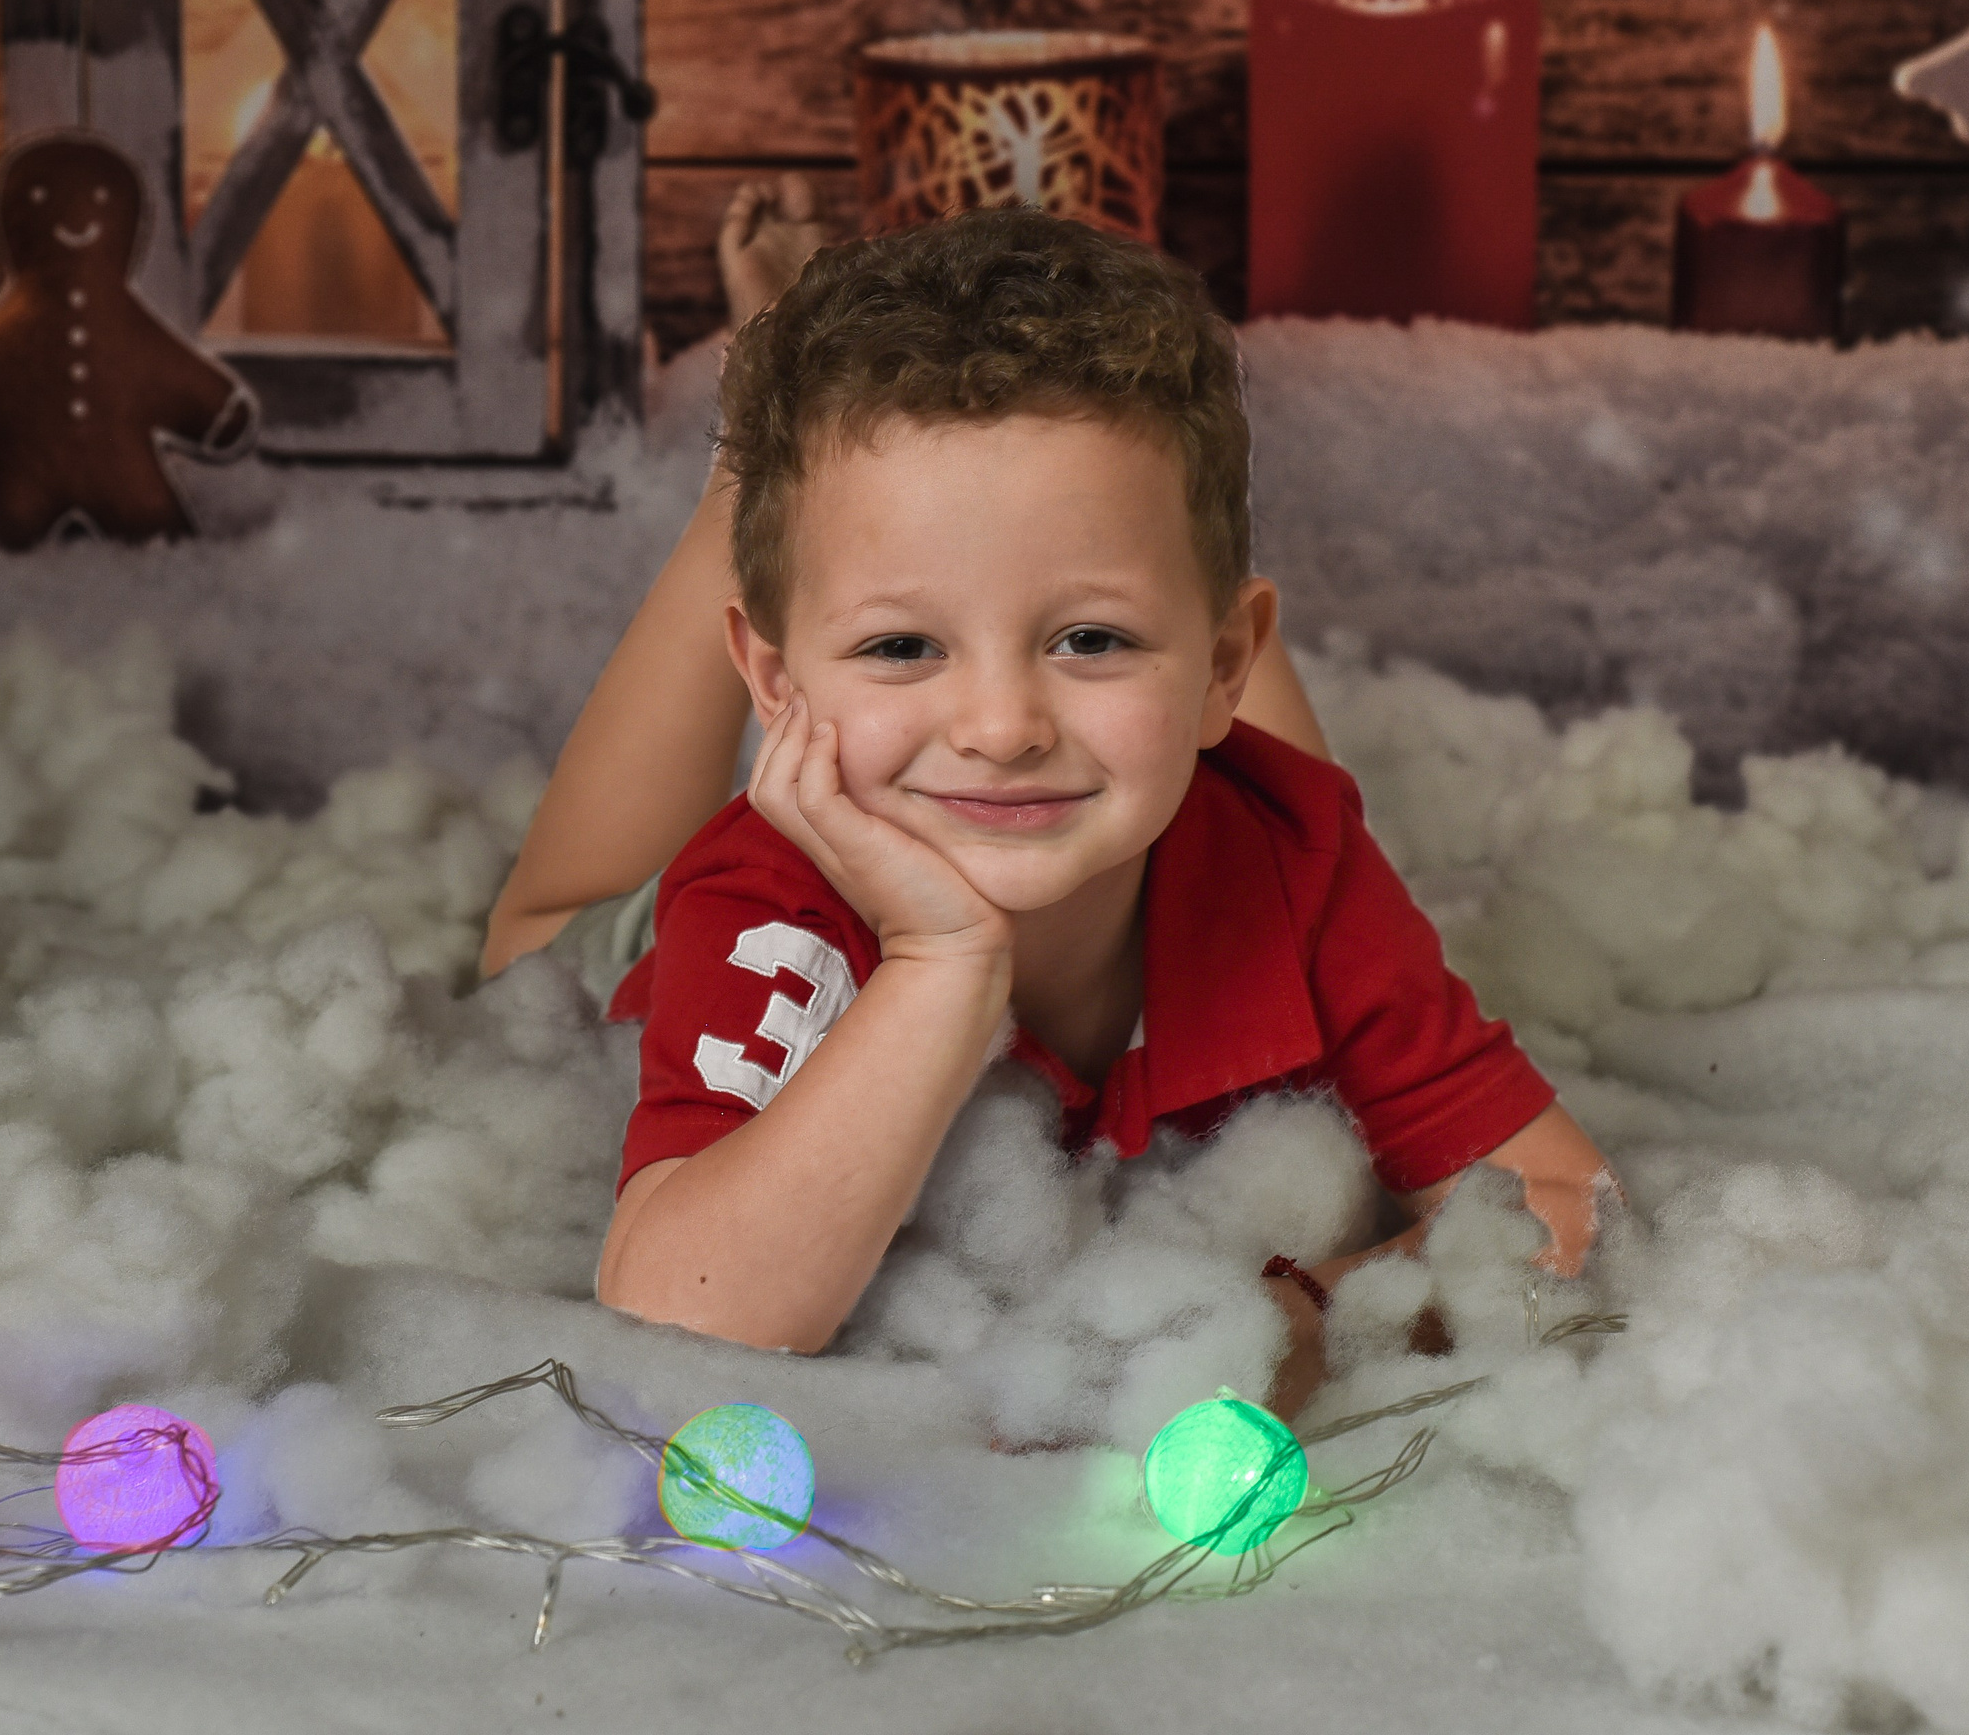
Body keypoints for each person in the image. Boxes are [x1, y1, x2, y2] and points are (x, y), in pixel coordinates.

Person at [492, 200, 1614, 1414]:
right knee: (533, 936)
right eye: (901, 644)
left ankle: (1130, 563)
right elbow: (679, 1313)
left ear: (1242, 659)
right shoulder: (758, 904)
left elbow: (1563, 1207)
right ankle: (756, 428)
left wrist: (1303, 1309)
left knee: (1220, 739)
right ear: (771, 682)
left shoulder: (1296, 851)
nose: (1000, 724)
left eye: (1086, 638)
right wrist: (936, 963)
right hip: (657, 931)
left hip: (1210, 769)